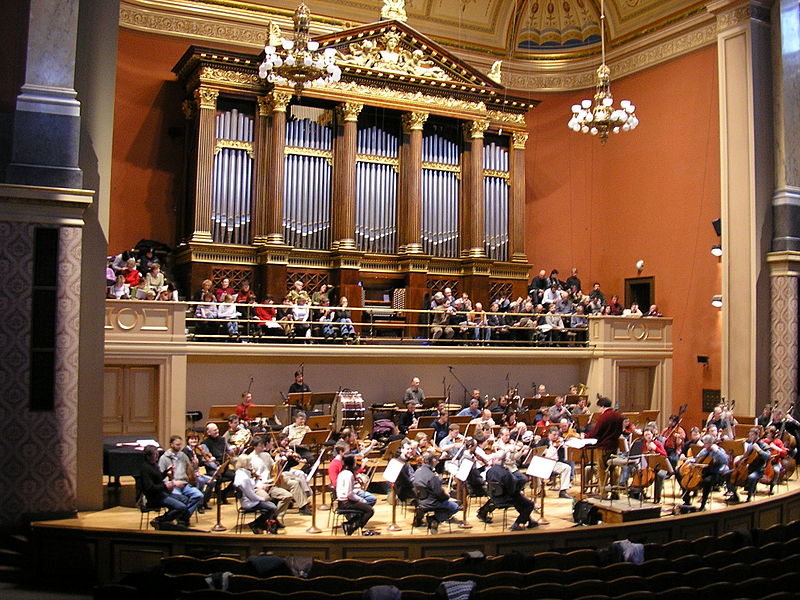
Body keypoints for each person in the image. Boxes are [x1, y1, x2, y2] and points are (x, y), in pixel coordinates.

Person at [139, 445, 199, 529]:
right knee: (181, 507)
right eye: (154, 454)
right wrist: (165, 486)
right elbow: (149, 488)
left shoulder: (154, 465)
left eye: (157, 453)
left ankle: (180, 520)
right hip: (155, 498)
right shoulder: (145, 468)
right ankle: (160, 520)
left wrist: (166, 472)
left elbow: (158, 478)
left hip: (162, 493)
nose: (157, 456)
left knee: (185, 499)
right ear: (148, 456)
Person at [481, 453, 537, 530]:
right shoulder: (506, 473)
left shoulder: (489, 471)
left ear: (495, 460)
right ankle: (516, 524)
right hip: (505, 499)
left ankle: (530, 521)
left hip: (493, 498)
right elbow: (512, 490)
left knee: (520, 502)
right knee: (529, 504)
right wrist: (519, 491)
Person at [411, 452, 460, 533]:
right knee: (455, 506)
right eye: (437, 460)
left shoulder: (417, 472)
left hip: (420, 501)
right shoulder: (432, 476)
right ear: (433, 461)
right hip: (432, 502)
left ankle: (428, 518)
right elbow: (439, 494)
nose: (437, 462)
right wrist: (447, 496)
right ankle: (435, 519)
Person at [681, 434, 730, 511]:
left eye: (706, 443)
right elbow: (697, 459)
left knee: (707, 481)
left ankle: (703, 504)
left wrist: (716, 451)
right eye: (704, 443)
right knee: (686, 478)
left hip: (715, 473)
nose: (704, 445)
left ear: (711, 443)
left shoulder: (719, 450)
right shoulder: (704, 450)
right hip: (702, 472)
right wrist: (689, 461)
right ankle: (686, 501)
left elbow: (725, 460)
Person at [158, 435, 205, 513]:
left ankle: (184, 516)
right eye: (177, 445)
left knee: (198, 495)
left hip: (184, 484)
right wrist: (173, 483)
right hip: (173, 486)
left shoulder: (183, 456)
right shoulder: (164, 458)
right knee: (181, 498)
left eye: (180, 444)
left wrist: (195, 465)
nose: (179, 447)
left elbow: (189, 470)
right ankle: (182, 516)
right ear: (171, 444)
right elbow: (161, 475)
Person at [233, 454, 278, 534]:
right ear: (245, 464)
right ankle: (258, 525)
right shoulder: (244, 478)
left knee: (273, 502)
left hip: (249, 499)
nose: (251, 464)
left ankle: (260, 525)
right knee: (273, 508)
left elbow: (251, 487)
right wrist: (263, 499)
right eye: (249, 462)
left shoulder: (240, 473)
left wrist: (260, 485)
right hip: (249, 503)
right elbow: (250, 495)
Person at [591, 396, 624, 499]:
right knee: (613, 469)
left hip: (603, 447)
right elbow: (619, 431)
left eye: (599, 407)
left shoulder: (603, 417)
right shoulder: (619, 416)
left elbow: (596, 432)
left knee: (602, 470)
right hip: (614, 446)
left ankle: (603, 494)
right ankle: (615, 493)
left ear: (602, 406)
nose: (599, 410)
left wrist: (586, 436)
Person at [337, 454, 378, 536]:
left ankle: (349, 524)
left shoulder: (343, 472)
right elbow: (349, 494)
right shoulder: (349, 475)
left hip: (343, 501)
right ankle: (351, 527)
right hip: (346, 503)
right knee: (369, 510)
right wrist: (361, 499)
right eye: (355, 462)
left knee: (365, 508)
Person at [727, 427, 770, 503]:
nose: (750, 437)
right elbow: (746, 456)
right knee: (727, 474)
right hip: (747, 468)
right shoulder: (751, 445)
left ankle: (749, 497)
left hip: (758, 469)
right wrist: (739, 459)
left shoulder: (763, 445)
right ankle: (735, 495)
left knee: (751, 477)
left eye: (752, 435)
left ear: (757, 435)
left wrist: (759, 450)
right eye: (749, 435)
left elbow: (767, 456)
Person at [536, 426, 573, 498]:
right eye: (554, 435)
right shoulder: (543, 441)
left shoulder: (560, 443)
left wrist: (563, 446)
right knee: (536, 470)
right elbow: (537, 451)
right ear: (549, 434)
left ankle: (563, 491)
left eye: (557, 435)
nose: (556, 437)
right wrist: (545, 451)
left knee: (567, 468)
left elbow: (564, 456)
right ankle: (541, 490)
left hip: (555, 463)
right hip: (544, 463)